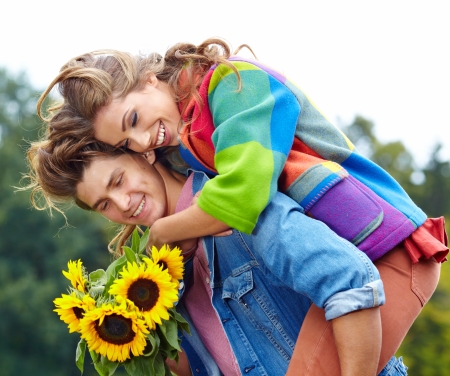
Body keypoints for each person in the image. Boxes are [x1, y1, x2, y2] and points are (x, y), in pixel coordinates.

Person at [32, 38, 447, 373]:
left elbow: (247, 196)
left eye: (134, 122)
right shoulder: (186, 147)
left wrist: (165, 232)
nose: (142, 142)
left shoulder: (232, 86)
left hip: (391, 238)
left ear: (150, 79)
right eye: (127, 142)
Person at [26, 138, 410, 375]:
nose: (123, 204)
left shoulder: (234, 206)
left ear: (143, 154)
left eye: (118, 181)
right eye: (104, 204)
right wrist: (131, 338)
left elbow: (348, 278)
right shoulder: (148, 276)